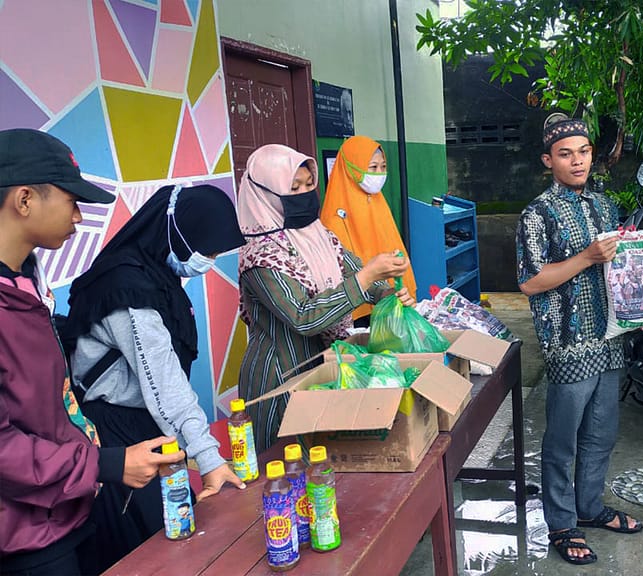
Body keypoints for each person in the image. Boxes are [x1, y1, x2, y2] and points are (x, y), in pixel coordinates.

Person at [0, 128, 183, 576]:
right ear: (25, 200)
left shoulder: (26, 284)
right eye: (71, 201)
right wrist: (105, 463)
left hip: (70, 504)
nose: (79, 218)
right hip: (26, 536)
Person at [62, 183, 247, 572]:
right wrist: (208, 458)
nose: (208, 262)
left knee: (179, 535)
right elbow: (166, 386)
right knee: (149, 551)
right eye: (207, 251)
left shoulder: (154, 275)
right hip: (115, 433)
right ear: (178, 234)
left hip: (143, 425)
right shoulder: (128, 289)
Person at [516, 113, 643, 566]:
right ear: (547, 159)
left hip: (609, 338)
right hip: (568, 343)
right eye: (566, 154)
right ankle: (562, 521)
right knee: (563, 440)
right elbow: (531, 282)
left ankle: (589, 507)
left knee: (602, 433)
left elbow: (621, 266)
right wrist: (587, 257)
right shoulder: (538, 213)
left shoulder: (605, 206)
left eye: (584, 152)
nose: (577, 162)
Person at [237, 144, 412, 452]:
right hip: (281, 378)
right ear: (265, 194)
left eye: (308, 185)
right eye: (293, 188)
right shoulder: (261, 258)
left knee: (327, 468)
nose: (304, 194)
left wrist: (390, 293)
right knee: (286, 470)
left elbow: (358, 276)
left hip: (326, 366)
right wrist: (368, 276)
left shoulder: (321, 237)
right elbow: (304, 316)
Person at [320, 135, 416, 322]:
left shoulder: (377, 201)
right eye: (373, 167)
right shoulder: (335, 216)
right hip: (357, 307)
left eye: (383, 167)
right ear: (351, 167)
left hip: (389, 296)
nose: (379, 173)